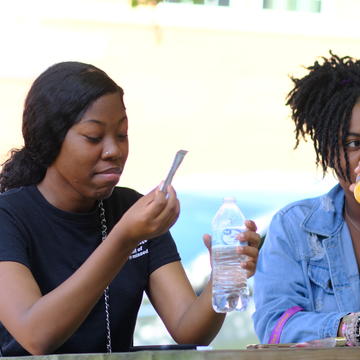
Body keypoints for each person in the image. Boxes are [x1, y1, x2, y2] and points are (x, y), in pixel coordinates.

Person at [0, 61, 260, 356]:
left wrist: (223, 276)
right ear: (50, 140)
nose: (114, 151)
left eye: (122, 135)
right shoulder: (9, 217)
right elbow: (36, 335)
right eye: (94, 137)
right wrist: (124, 238)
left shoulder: (132, 210)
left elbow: (189, 328)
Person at [253, 51, 360, 346]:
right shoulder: (294, 227)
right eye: (353, 143)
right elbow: (274, 326)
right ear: (328, 152)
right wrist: (348, 327)